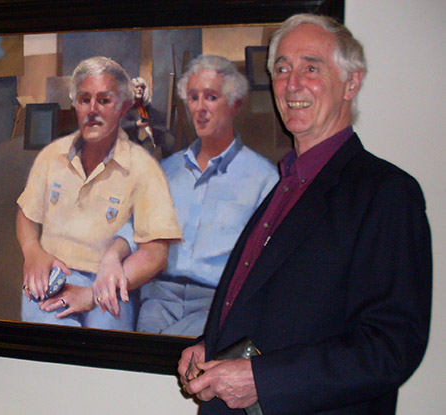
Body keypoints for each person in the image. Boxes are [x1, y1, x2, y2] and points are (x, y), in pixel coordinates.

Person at [178, 14, 431, 414]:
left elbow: (391, 346)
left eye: (311, 68)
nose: (292, 84)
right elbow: (278, 307)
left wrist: (262, 380)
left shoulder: (386, 193)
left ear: (352, 82)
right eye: (282, 69)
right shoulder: (284, 185)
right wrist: (213, 345)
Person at [96, 55, 278, 336]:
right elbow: (134, 228)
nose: (200, 108)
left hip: (215, 306)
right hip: (157, 299)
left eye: (211, 97)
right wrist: (111, 256)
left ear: (235, 105)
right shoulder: (167, 170)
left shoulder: (264, 178)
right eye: (193, 98)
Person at [17, 56, 182, 330]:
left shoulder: (143, 168)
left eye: (104, 101)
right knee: (46, 354)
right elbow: (27, 215)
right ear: (75, 104)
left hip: (111, 284)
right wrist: (32, 251)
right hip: (53, 279)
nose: (92, 109)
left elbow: (155, 254)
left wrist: (92, 294)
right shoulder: (51, 157)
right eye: (84, 100)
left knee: (102, 354)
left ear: (123, 107)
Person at [120, 77, 173, 159]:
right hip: (133, 138)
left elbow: (158, 118)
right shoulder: (126, 107)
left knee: (169, 139)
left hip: (149, 135)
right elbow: (121, 125)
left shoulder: (146, 106)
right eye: (136, 87)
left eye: (142, 87)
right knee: (147, 146)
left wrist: (151, 122)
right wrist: (136, 124)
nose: (139, 89)